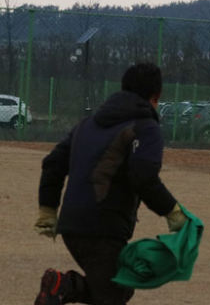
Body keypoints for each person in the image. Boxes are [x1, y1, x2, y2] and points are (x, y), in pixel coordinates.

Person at [33, 63, 187, 305]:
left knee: (117, 287)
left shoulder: (87, 124)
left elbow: (53, 163)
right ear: (155, 97)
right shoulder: (146, 127)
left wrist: (48, 210)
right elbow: (143, 176)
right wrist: (173, 212)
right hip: (104, 228)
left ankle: (64, 286)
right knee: (114, 293)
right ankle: (63, 286)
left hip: (72, 226)